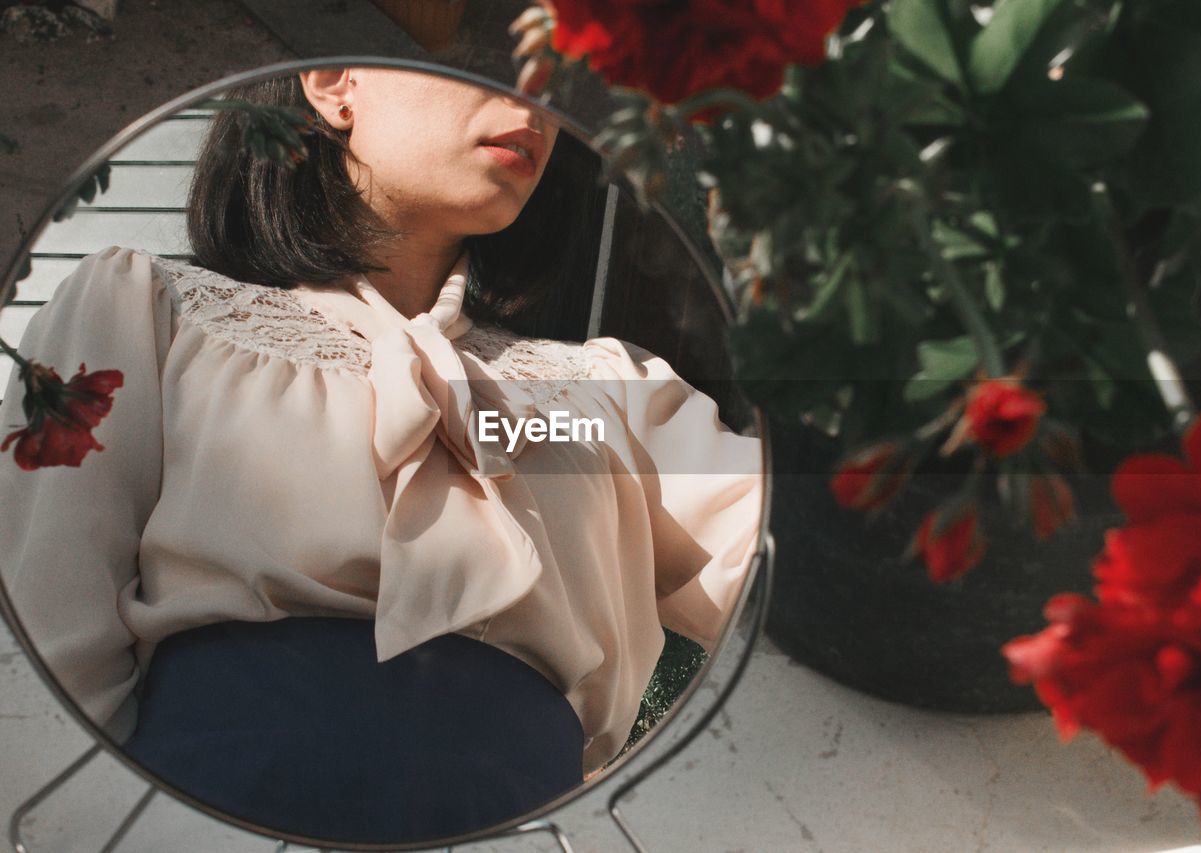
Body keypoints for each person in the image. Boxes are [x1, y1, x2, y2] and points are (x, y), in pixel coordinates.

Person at [0, 68, 763, 844]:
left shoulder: (606, 392)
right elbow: (41, 631)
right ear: (335, 83)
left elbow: (800, 552)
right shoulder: (150, 308)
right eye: (494, 69)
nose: (536, 104)